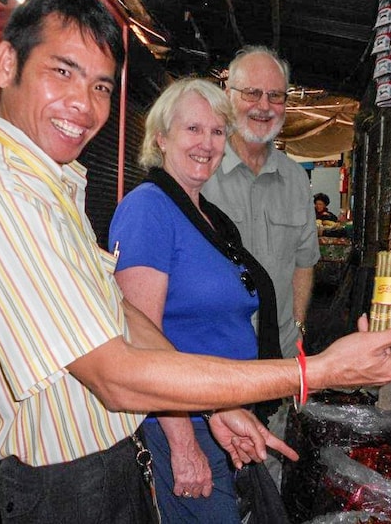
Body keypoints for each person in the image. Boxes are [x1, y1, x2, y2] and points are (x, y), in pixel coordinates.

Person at [0, 0, 391, 524]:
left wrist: (218, 403)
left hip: (104, 463)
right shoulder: (6, 198)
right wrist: (317, 372)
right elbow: (118, 375)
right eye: (62, 72)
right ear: (8, 63)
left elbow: (122, 315)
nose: (83, 103)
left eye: (100, 85)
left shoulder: (52, 188)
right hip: (61, 482)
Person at [109, 78, 284, 522]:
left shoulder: (208, 216)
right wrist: (183, 444)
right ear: (161, 138)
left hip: (222, 416)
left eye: (217, 131)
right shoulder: (148, 209)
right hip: (182, 428)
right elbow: (140, 343)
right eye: (192, 129)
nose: (206, 143)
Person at [202, 46, 319, 359]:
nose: (264, 106)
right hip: (210, 359)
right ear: (228, 96)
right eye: (252, 93)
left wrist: (298, 327)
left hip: (276, 357)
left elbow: (303, 263)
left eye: (276, 96)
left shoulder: (296, 179)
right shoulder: (199, 170)